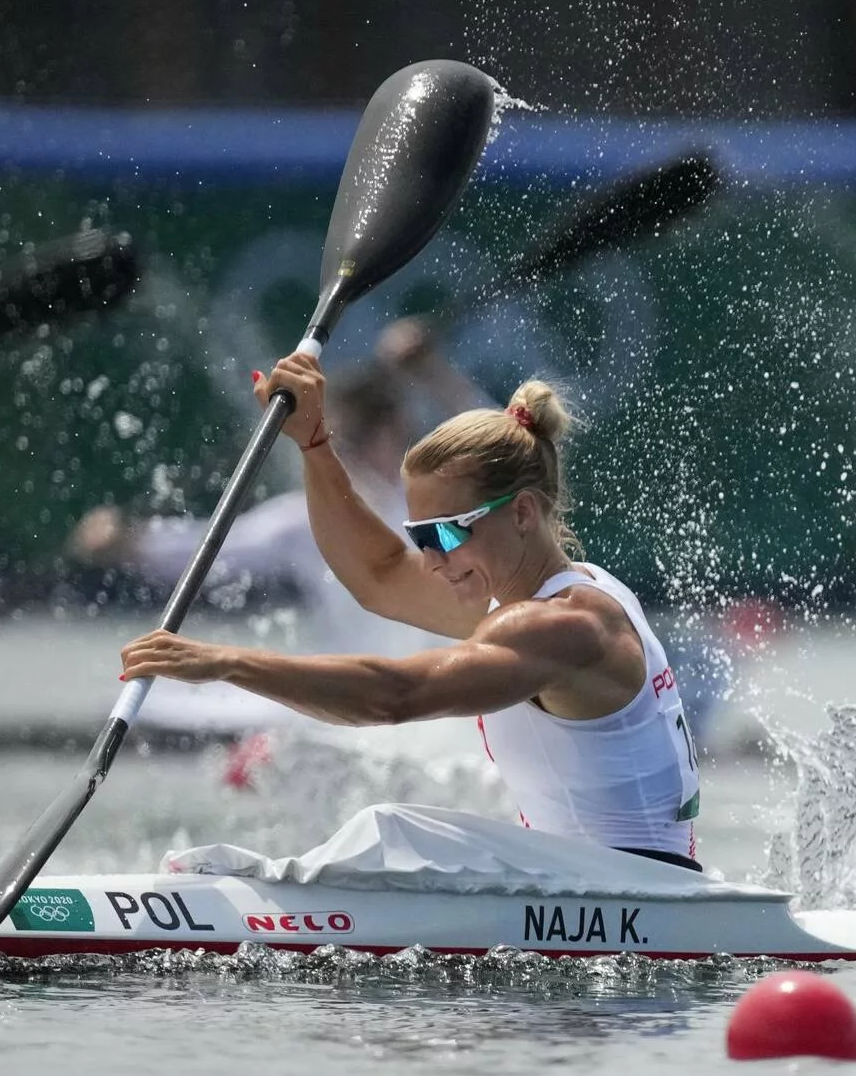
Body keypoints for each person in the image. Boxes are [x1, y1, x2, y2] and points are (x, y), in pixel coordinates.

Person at [118, 358, 705, 868]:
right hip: (602, 884)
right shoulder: (537, 593)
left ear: (522, 512)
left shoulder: (561, 625)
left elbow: (394, 696)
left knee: (391, 830)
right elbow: (378, 575)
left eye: (444, 534)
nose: (427, 560)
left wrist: (227, 662)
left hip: (627, 894)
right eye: (418, 534)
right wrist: (315, 443)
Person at [69, 319, 483, 662]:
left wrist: (435, 373)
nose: (353, 454)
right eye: (346, 441)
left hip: (452, 695)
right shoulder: (307, 520)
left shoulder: (449, 493)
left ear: (397, 427)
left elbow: (507, 449)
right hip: (367, 707)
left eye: (362, 435)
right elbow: (214, 550)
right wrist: (130, 542)